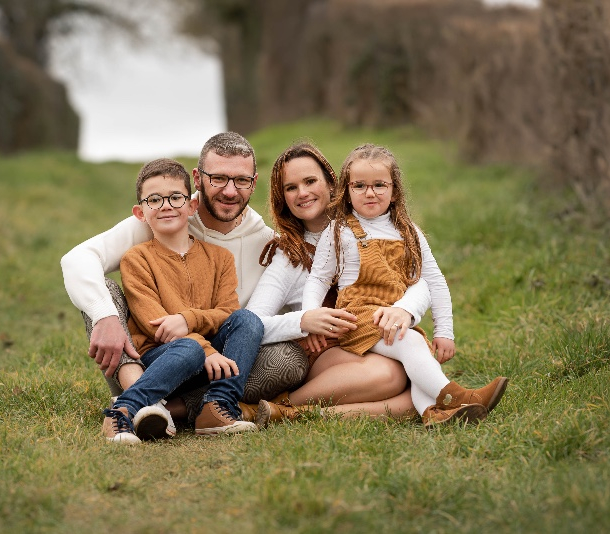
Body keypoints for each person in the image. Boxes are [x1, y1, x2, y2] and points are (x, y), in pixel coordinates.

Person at [60, 132, 306, 423]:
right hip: (148, 359)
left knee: (289, 362)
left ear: (253, 183)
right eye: (217, 178)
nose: (229, 191)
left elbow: (296, 304)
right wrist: (104, 316)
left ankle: (177, 411)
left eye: (240, 180)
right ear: (198, 179)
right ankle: (138, 394)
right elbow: (77, 259)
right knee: (105, 292)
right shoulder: (163, 215)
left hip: (219, 364)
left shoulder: (267, 243)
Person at [300, 143, 508, 428]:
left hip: (395, 316)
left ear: (394, 190)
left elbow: (434, 280)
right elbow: (319, 279)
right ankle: (457, 396)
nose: (369, 193)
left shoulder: (408, 231)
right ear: (347, 191)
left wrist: (445, 332)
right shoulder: (339, 230)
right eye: (359, 186)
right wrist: (310, 316)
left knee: (416, 348)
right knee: (409, 340)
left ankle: (434, 414)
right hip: (357, 318)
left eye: (379, 185)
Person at [246, 142, 432, 425]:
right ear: (281, 197)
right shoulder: (289, 256)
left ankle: (292, 415)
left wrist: (405, 309)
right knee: (390, 375)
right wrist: (304, 321)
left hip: (380, 337)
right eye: (291, 187)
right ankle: (281, 402)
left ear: (333, 182)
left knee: (411, 401)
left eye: (310, 181)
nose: (303, 193)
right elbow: (252, 324)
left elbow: (418, 281)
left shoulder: (373, 227)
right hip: (329, 353)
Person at [103, 158, 262, 444]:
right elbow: (155, 325)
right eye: (154, 200)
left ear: (191, 206)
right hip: (161, 358)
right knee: (189, 348)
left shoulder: (219, 258)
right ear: (140, 212)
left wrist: (190, 321)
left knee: (248, 320)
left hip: (210, 361)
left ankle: (218, 406)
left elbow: (227, 311)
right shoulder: (136, 259)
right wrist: (204, 348)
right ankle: (123, 410)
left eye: (176, 197)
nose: (166, 205)